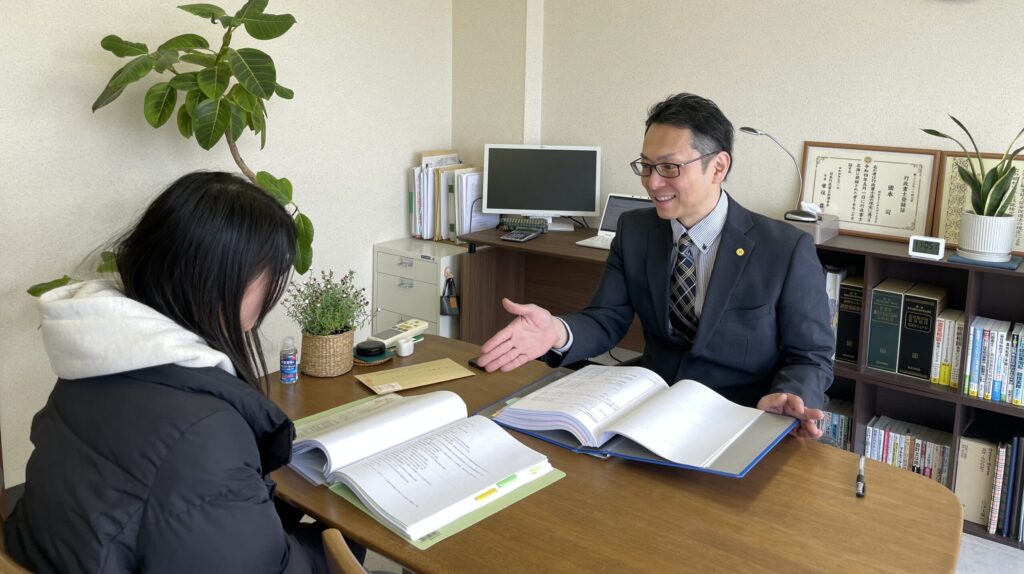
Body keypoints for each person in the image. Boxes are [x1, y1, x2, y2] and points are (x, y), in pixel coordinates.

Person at [5, 172, 333, 573]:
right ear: (222, 282)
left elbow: (187, 511)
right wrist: (337, 535)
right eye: (273, 275)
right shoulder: (204, 431)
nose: (272, 294)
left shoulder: (94, 361)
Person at [477, 93, 834, 438]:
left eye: (669, 167)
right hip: (652, 409)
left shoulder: (784, 249)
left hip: (741, 415)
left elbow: (810, 355)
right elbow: (606, 318)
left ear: (718, 167)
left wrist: (792, 395)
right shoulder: (635, 230)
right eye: (646, 166)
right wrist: (557, 331)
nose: (652, 182)